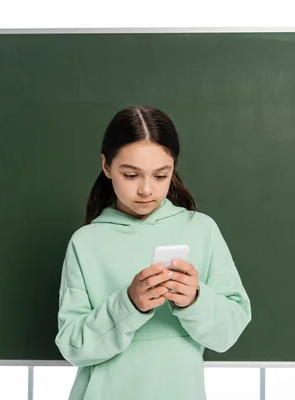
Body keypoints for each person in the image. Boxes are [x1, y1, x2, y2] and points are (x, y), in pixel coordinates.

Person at [55, 105, 251, 400]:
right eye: (131, 175)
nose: (146, 189)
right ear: (106, 166)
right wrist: (129, 303)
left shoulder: (201, 230)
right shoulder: (86, 242)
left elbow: (227, 334)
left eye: (161, 176)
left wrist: (194, 300)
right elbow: (73, 347)